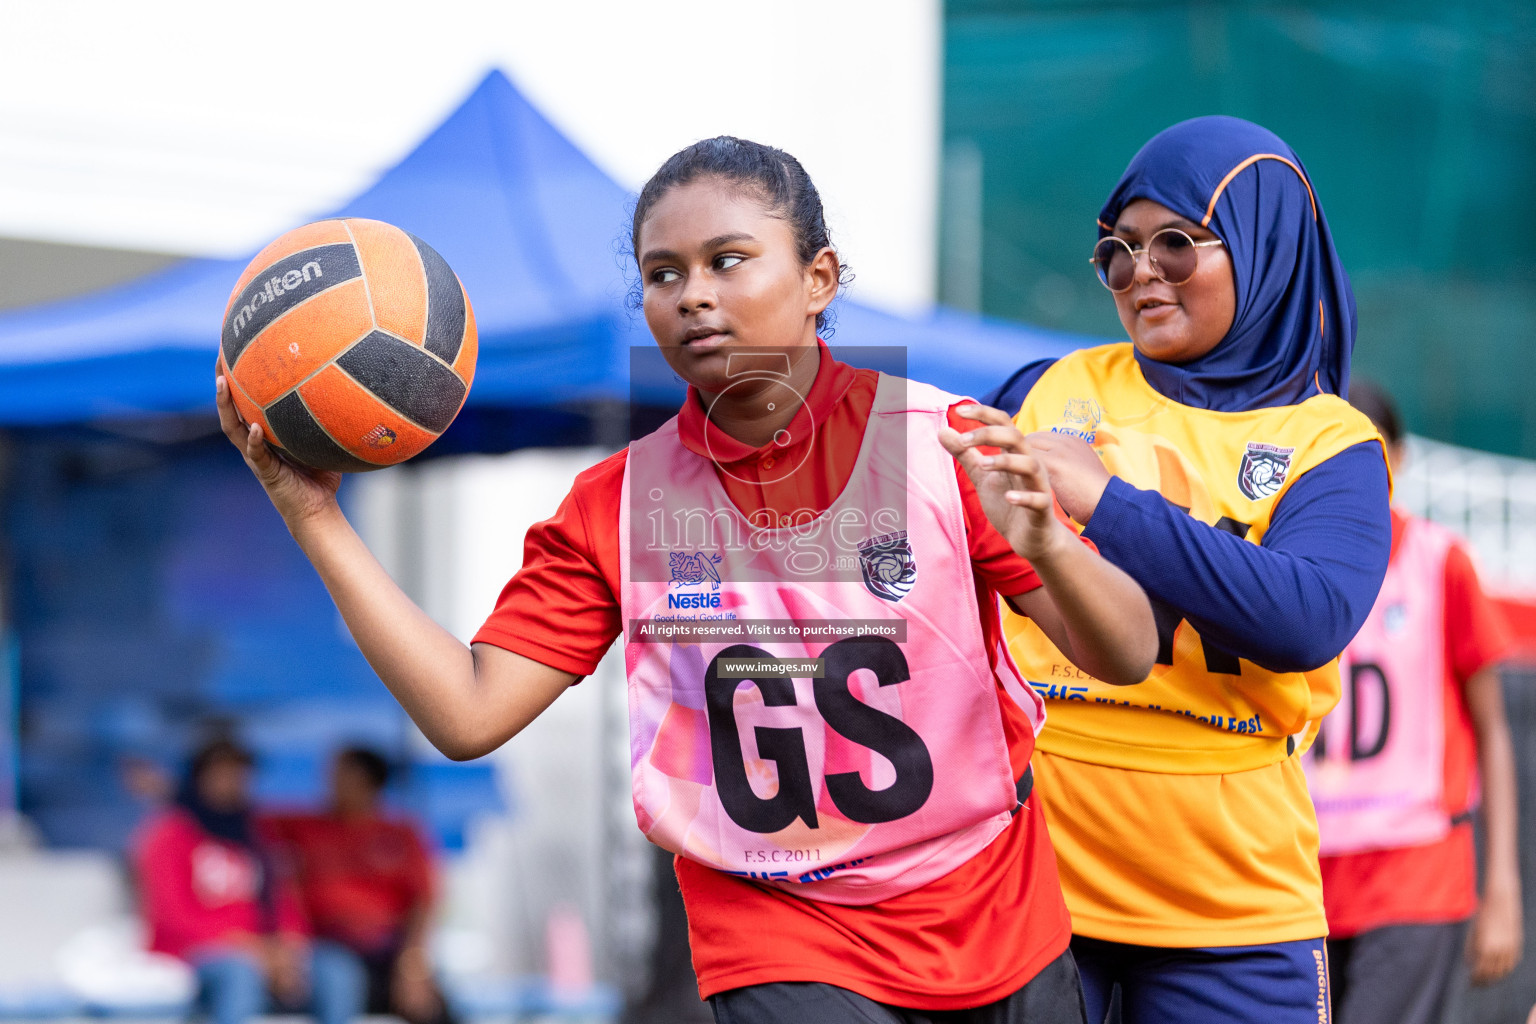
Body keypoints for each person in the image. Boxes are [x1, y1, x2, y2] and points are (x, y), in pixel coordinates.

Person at [216, 135, 1159, 1023]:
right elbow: (467, 715)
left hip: (994, 913)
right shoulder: (615, 506)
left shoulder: (942, 444)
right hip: (780, 927)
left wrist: (1054, 545)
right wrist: (314, 515)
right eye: (663, 274)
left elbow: (1126, 655)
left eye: (728, 260)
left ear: (818, 279)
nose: (691, 295)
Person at [976, 116, 1392, 1022]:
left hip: (1232, 900)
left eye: (1176, 242)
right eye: (1116, 252)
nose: (1140, 274)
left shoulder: (1332, 443)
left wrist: (1107, 501)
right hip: (1033, 878)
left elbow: (1306, 619)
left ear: (1266, 242)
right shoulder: (1044, 391)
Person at [1307, 381, 1521, 1024]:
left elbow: (1494, 730)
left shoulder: (1440, 562)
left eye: (1367, 455)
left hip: (1415, 875)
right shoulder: (1284, 566)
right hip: (1304, 876)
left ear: (1397, 459)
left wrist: (1502, 885)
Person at [132, 738, 364, 1024]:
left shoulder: (257, 833)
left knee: (337, 969)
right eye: (222, 772)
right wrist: (251, 948)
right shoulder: (169, 835)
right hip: (197, 952)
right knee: (240, 975)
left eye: (240, 773)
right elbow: (171, 917)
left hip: (262, 949)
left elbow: (285, 902)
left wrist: (288, 948)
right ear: (199, 777)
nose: (233, 781)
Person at [265, 747, 454, 1024]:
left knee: (431, 1008)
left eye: (339, 773)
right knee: (339, 979)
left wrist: (412, 964)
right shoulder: (304, 825)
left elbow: (424, 902)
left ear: (365, 780)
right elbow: (238, 818)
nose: (328, 781)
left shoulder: (400, 834)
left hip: (387, 953)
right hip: (326, 948)